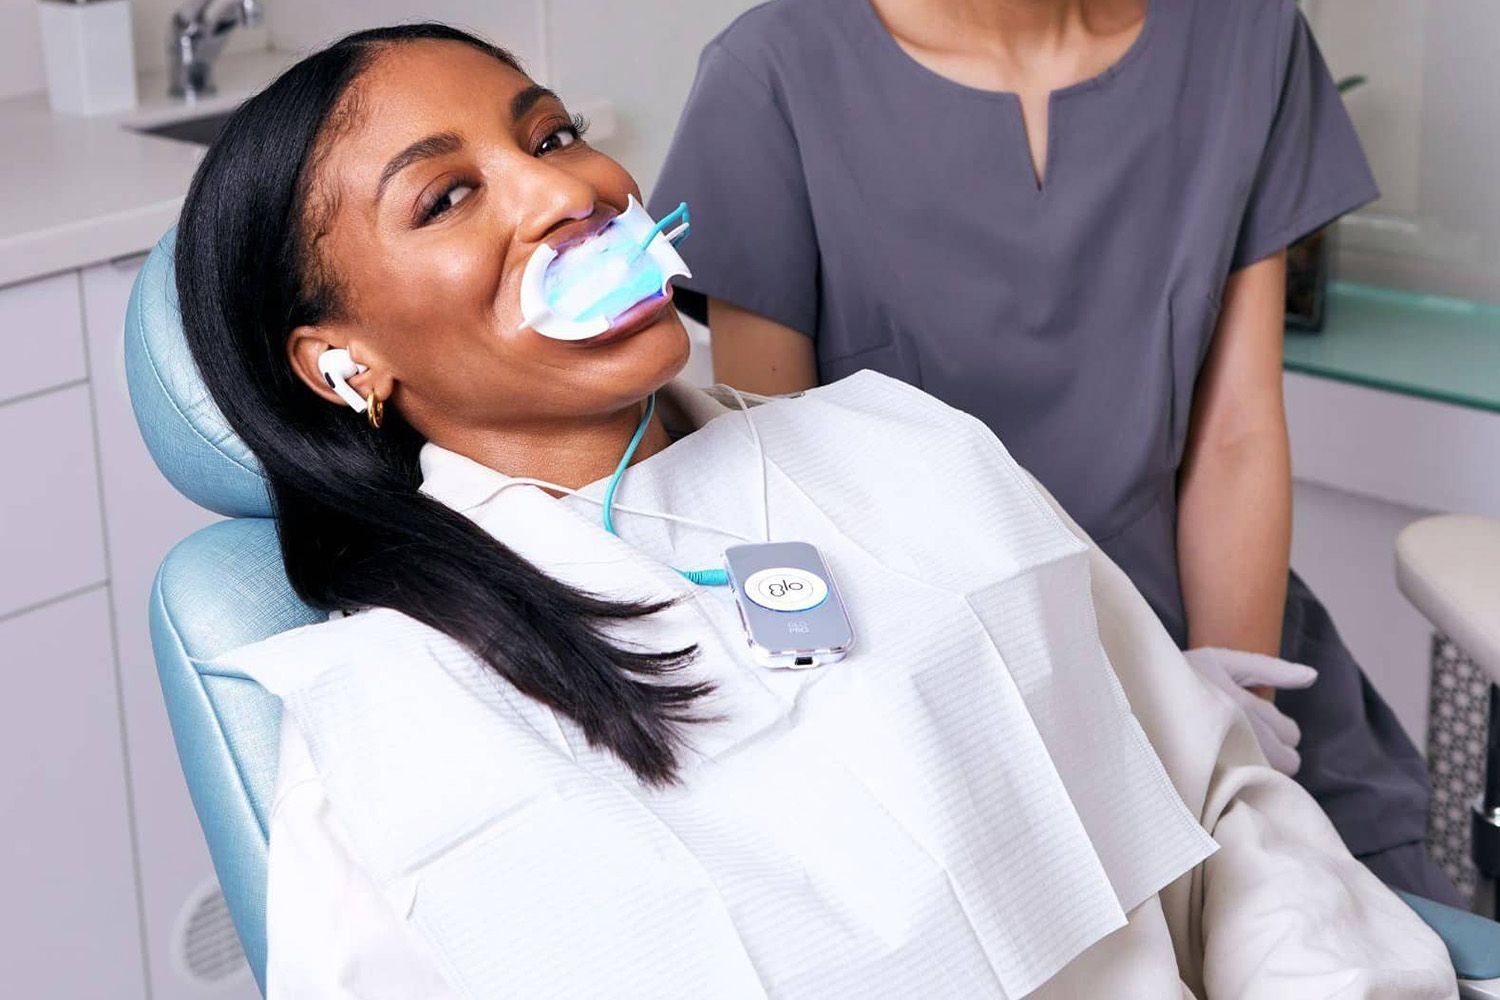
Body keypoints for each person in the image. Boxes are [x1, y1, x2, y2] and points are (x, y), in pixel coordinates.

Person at [177, 24, 1453, 998]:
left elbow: (1226, 809)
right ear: (341, 362)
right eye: (446, 196)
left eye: (552, 135)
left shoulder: (910, 452)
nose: (567, 192)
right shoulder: (391, 723)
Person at [648, 0, 1458, 903]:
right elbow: (785, 500)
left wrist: (1233, 735)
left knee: (1379, 931)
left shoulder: (1245, 35)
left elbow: (1236, 436)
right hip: (954, 705)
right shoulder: (773, 74)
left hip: (1218, 646)